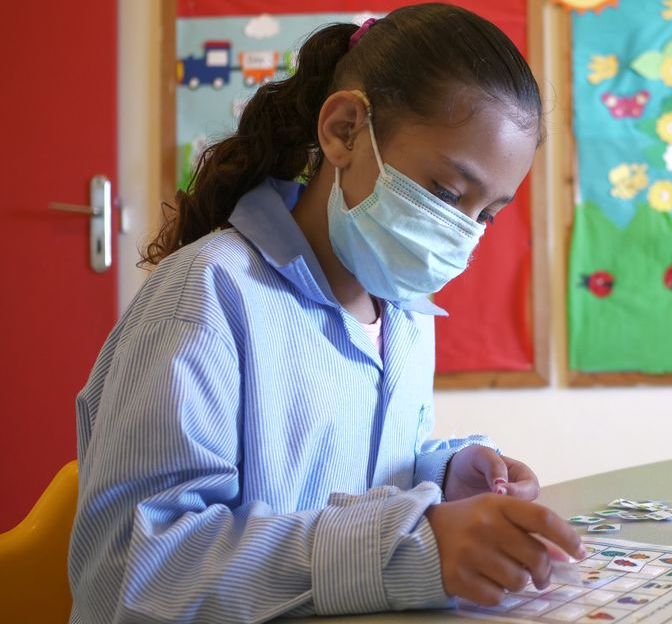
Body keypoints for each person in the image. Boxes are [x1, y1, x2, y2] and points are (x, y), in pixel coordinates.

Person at [68, 5, 582, 622]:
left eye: (486, 215)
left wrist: (446, 479)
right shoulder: (206, 296)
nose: (460, 234)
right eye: (447, 193)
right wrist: (412, 546)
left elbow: (354, 481)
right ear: (343, 130)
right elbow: (137, 571)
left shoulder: (407, 314)